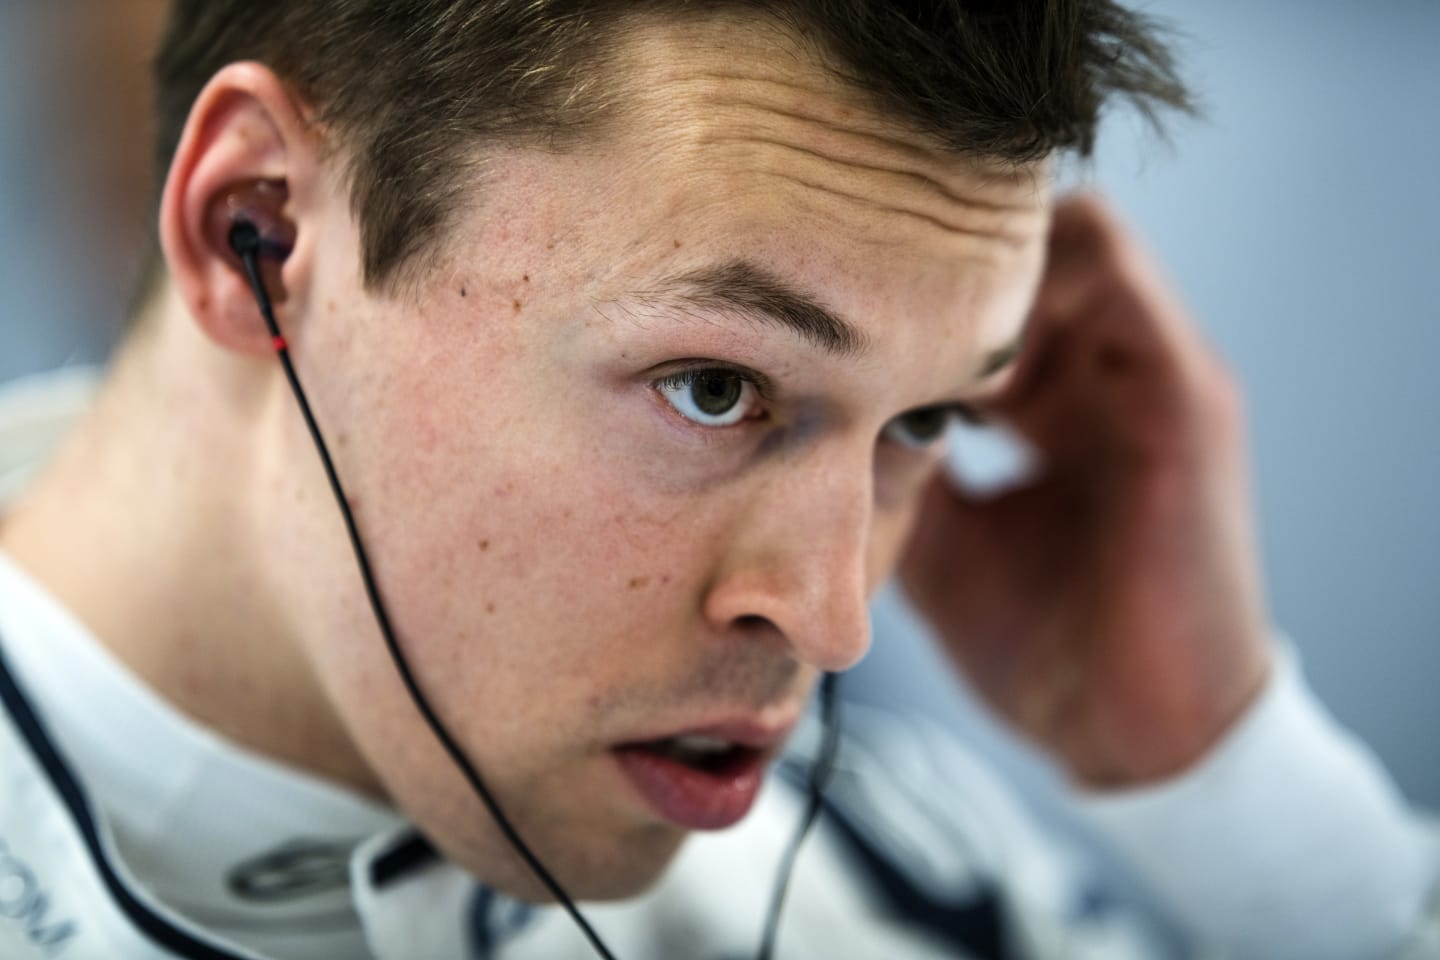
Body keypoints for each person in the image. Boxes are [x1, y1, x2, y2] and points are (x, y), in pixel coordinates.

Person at [0, 2, 1434, 958]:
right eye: (716, 390)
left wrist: (1222, 775)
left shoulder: (863, 862)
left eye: (927, 418)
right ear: (256, 231)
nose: (833, 620)